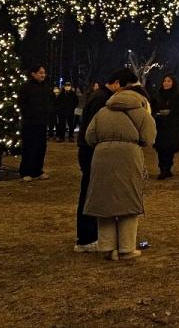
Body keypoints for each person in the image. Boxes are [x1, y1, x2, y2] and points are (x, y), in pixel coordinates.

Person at [83, 68, 156, 261]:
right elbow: (149, 138)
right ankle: (126, 248)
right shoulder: (140, 112)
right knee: (128, 201)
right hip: (129, 157)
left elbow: (89, 137)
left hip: (102, 157)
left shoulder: (102, 112)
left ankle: (107, 247)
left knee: (104, 202)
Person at [74, 76, 115, 253]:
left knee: (90, 192)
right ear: (117, 83)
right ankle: (86, 237)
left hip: (89, 150)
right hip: (91, 152)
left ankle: (90, 235)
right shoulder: (102, 99)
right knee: (90, 194)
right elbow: (93, 129)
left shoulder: (99, 96)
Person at [17, 64, 54, 181]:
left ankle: (37, 170)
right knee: (29, 147)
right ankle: (25, 172)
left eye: (44, 73)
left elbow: (50, 102)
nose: (43, 75)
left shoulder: (46, 87)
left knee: (40, 147)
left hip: (42, 123)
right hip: (30, 123)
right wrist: (30, 114)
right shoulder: (26, 87)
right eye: (40, 73)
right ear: (33, 74)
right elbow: (22, 104)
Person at [151, 75, 179, 179]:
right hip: (160, 126)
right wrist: (157, 113)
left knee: (169, 149)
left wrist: (170, 112)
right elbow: (153, 108)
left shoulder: (177, 96)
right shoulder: (158, 95)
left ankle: (167, 168)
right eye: (164, 81)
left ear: (173, 83)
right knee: (161, 148)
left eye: (169, 81)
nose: (166, 83)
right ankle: (162, 169)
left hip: (171, 126)